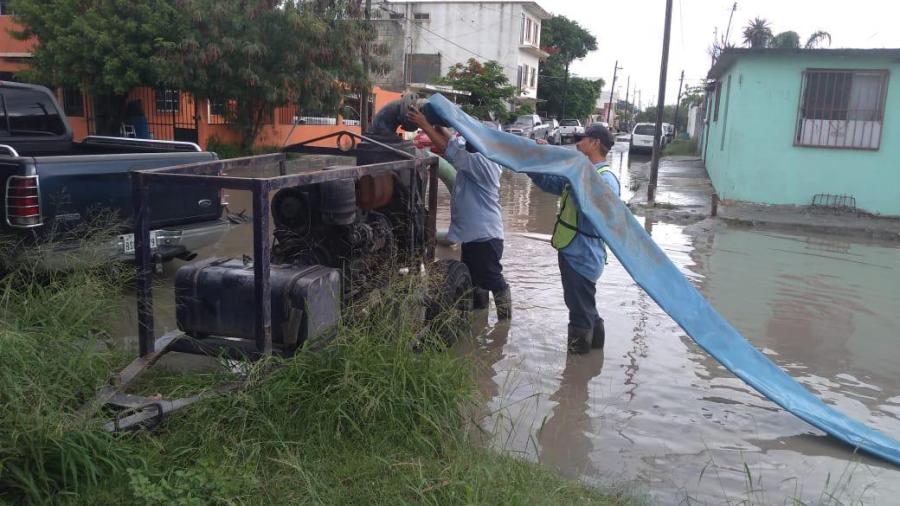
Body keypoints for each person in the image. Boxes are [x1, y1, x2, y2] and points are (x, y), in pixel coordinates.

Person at [407, 108, 511, 320]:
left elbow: (449, 151)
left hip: (485, 237)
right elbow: (453, 144)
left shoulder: (484, 163)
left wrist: (424, 125)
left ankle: (504, 322)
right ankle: (479, 321)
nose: (467, 140)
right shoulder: (477, 155)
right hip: (474, 236)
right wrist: (437, 124)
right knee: (474, 281)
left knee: (493, 280)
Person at [528, 124, 620, 354]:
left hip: (583, 255)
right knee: (586, 307)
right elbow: (552, 184)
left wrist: (572, 169)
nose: (577, 142)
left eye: (583, 138)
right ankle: (594, 362)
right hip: (573, 250)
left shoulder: (605, 178)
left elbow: (598, 212)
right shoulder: (582, 172)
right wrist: (534, 163)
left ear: (595, 143)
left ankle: (578, 366)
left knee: (579, 312)